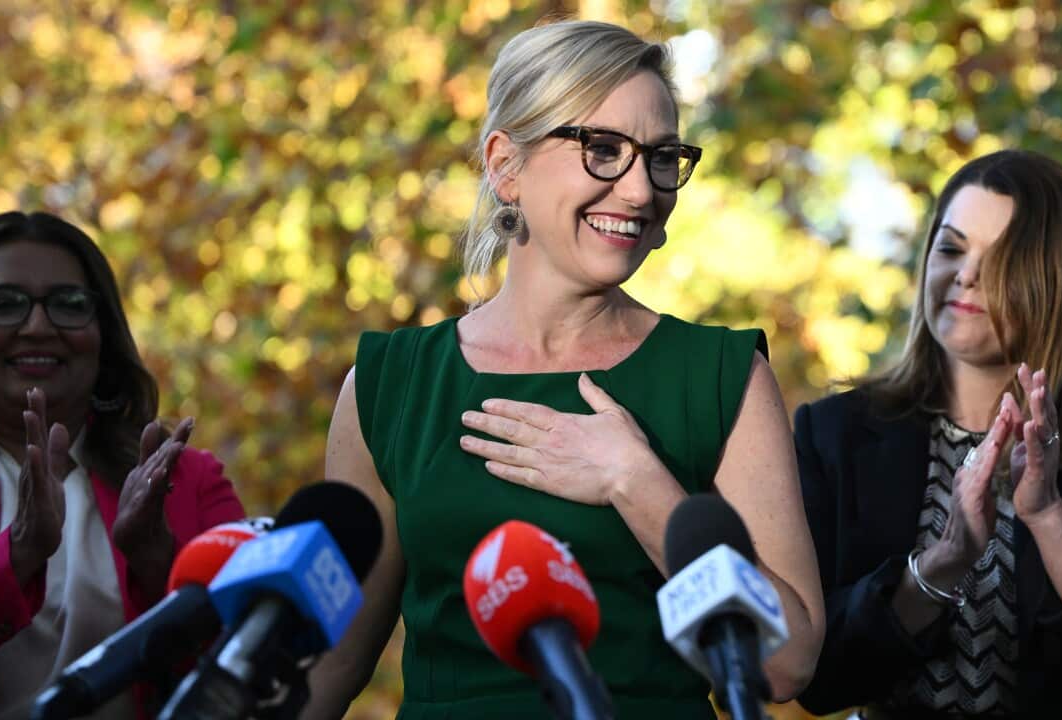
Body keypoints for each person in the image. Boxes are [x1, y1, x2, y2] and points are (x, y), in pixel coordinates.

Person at [304, 20, 824, 720]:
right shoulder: (390, 383)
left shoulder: (722, 376)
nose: (641, 191)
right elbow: (330, 665)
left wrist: (637, 483)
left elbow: (788, 662)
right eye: (603, 150)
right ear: (505, 165)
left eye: (662, 157)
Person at [795, 150, 1062, 719]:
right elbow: (815, 678)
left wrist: (1048, 517)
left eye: (1001, 258)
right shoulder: (836, 433)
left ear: (1061, 280)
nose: (965, 273)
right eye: (951, 248)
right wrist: (942, 563)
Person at [0, 211, 246, 719]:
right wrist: (12, 561)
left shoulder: (190, 482)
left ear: (103, 338)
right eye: (3, 304)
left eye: (69, 304)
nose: (38, 326)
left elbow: (251, 665)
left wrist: (158, 560)